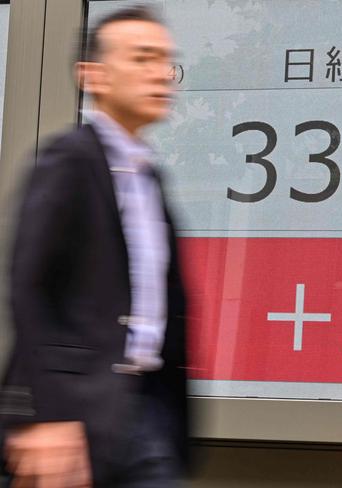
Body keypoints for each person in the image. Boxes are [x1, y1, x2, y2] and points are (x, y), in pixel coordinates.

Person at [0, 6, 188, 487]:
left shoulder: (150, 176)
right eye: (143, 58)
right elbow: (29, 288)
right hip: (75, 418)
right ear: (93, 76)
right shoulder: (70, 161)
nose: (161, 73)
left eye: (166, 60)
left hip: (146, 414)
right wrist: (42, 414)